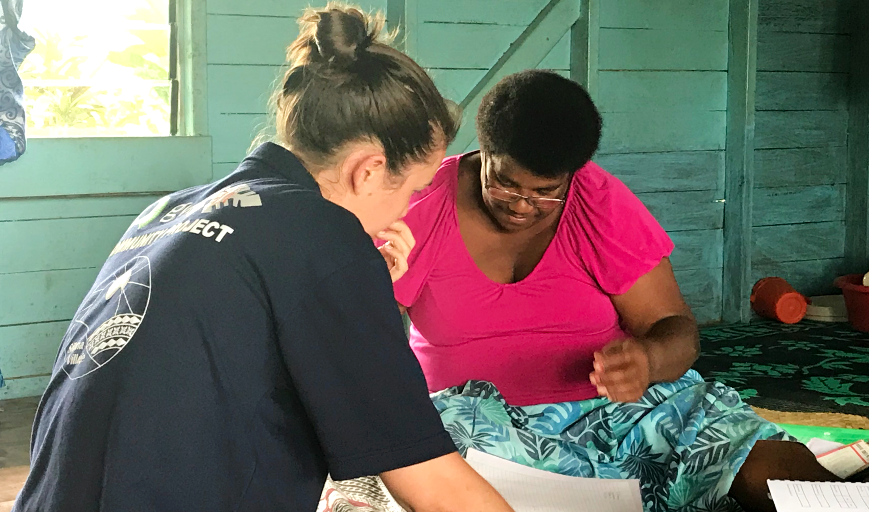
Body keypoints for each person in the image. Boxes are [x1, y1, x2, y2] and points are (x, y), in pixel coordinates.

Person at [13, 5, 513, 512]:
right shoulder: (328, 238)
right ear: (369, 170)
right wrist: (347, 275)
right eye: (413, 190)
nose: (405, 212)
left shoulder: (170, 211)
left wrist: (352, 294)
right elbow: (427, 477)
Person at [385, 70, 869, 512]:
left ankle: (862, 493)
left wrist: (650, 358)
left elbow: (677, 331)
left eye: (544, 191)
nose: (522, 204)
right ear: (481, 152)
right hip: (482, 426)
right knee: (425, 458)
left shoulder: (598, 203)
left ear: (572, 175)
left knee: (721, 438)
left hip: (615, 416)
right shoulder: (422, 205)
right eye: (505, 182)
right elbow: (364, 338)